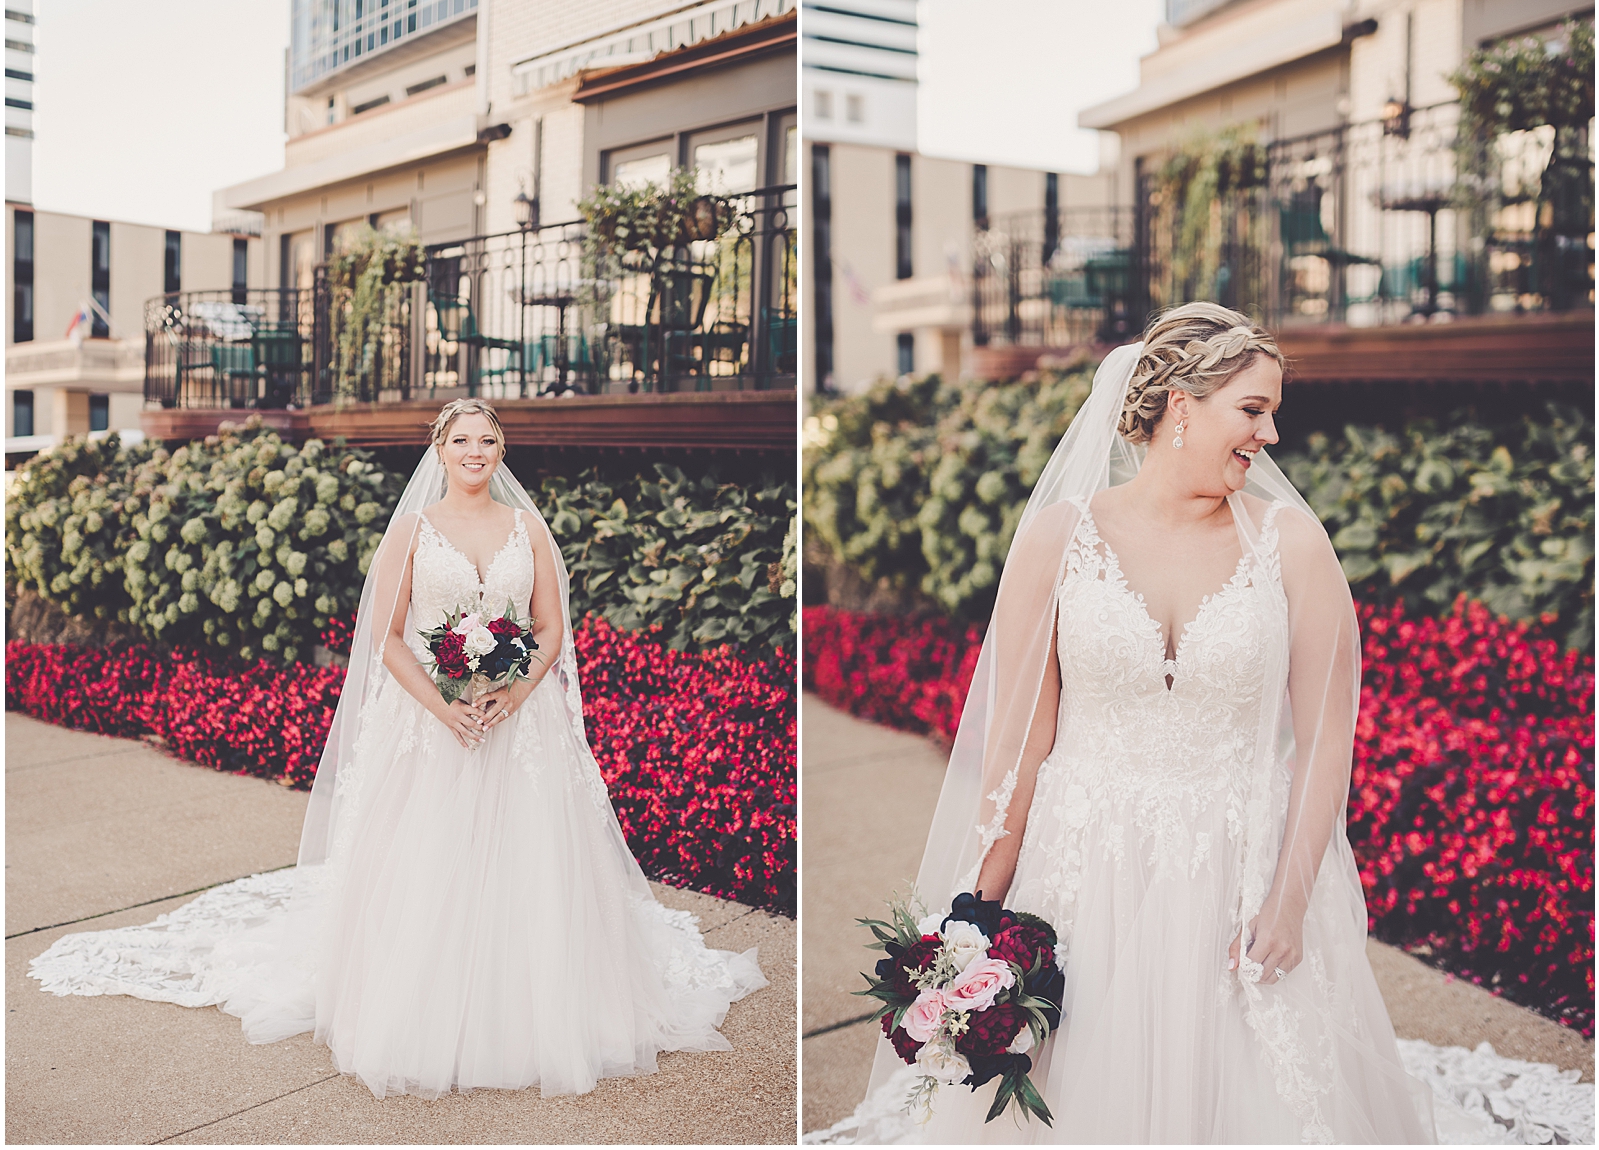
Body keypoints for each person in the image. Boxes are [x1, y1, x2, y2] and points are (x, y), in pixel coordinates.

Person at [29, 398, 768, 1100]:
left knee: (533, 861)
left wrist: (513, 692)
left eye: (486, 440)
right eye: (460, 441)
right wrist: (447, 706)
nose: (474, 452)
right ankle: (422, 1006)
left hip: (520, 724)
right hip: (430, 724)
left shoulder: (528, 530)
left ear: (500, 450)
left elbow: (550, 628)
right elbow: (384, 639)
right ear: (439, 450)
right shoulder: (412, 532)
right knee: (427, 864)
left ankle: (536, 1002)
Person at [824, 303, 1436, 1144]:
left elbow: (1329, 739)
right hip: (1084, 872)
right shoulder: (1058, 540)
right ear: (1181, 406)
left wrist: (1290, 901)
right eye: (1253, 410)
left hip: (1239, 869)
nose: (1270, 435)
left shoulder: (1293, 546)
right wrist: (978, 914)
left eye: (1272, 413)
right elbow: (1019, 745)